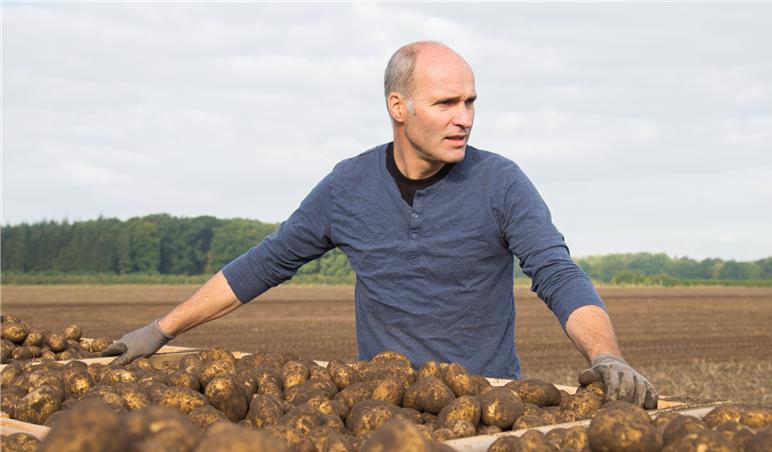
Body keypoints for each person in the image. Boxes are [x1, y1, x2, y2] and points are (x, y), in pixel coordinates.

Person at [107, 41, 658, 408]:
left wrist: (604, 354)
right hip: (383, 403)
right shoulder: (347, 188)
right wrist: (162, 330)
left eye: (470, 102)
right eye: (446, 102)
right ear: (399, 106)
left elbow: (557, 273)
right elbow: (265, 264)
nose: (463, 117)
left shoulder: (502, 182)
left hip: (488, 403)